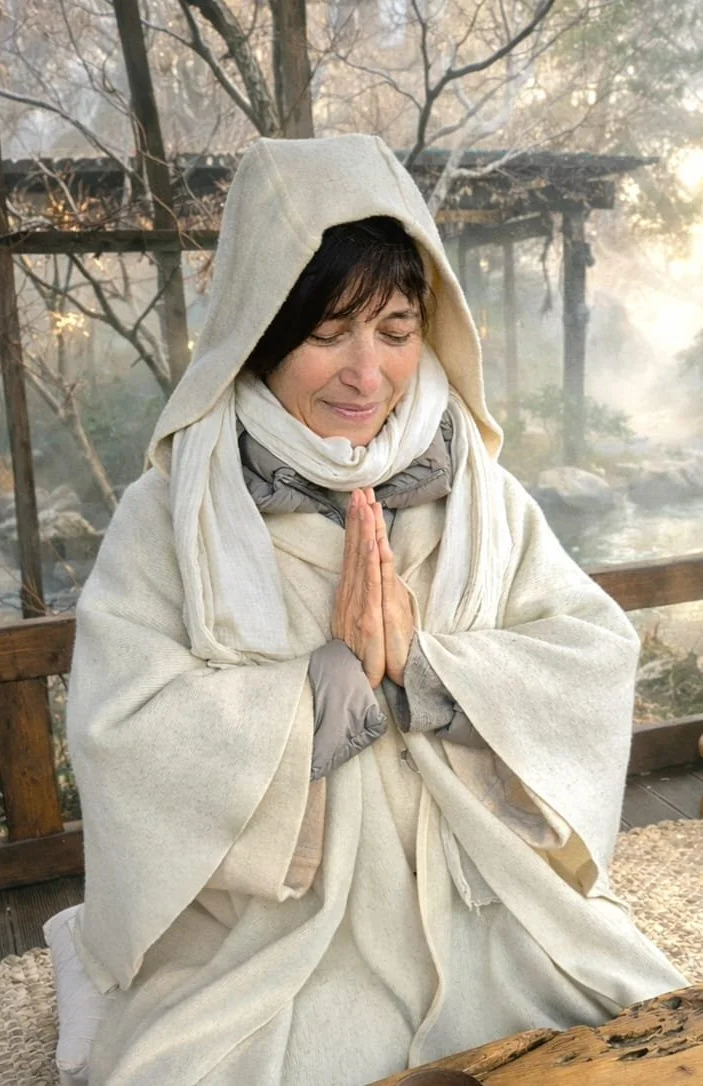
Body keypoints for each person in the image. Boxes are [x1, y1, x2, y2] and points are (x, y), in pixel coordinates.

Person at [65, 135, 685, 1086]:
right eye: (328, 334)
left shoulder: (477, 488)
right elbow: (122, 727)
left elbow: (588, 651)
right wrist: (331, 682)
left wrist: (427, 671)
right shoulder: (176, 511)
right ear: (262, 332)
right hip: (275, 928)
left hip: (482, 891)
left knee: (637, 1028)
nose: (367, 375)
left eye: (395, 331)